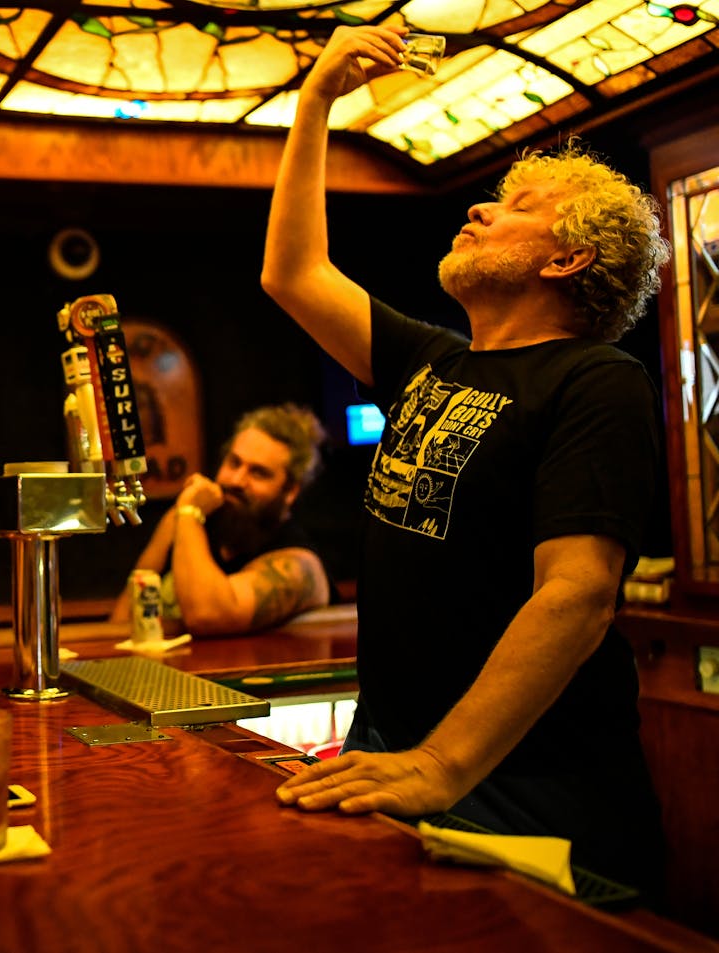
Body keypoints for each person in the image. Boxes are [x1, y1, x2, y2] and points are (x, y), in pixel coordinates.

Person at [260, 26, 671, 894]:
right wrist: (316, 101)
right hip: (398, 752)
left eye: (519, 206)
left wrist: (445, 761)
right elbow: (293, 272)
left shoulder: (597, 379)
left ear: (568, 259)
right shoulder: (435, 360)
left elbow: (579, 592)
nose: (480, 208)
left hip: (525, 786)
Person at [109, 403, 333, 636]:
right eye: (234, 463)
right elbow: (122, 620)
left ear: (290, 491)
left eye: (258, 473)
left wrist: (189, 513)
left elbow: (207, 615)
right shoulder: (183, 522)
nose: (237, 480)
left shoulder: (301, 566)